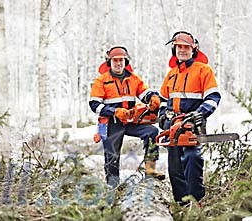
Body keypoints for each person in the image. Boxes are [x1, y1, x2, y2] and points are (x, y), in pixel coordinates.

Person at [159, 31, 221, 205]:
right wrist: (163, 115)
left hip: (192, 123)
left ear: (193, 49)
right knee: (174, 165)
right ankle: (182, 203)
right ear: (174, 49)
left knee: (193, 158)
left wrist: (199, 113)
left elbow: (213, 97)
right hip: (173, 124)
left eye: (186, 47)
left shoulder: (203, 70)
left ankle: (197, 200)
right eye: (179, 47)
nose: (183, 50)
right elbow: (163, 100)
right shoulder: (171, 74)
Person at [89, 46, 164, 188]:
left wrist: (153, 98)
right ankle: (113, 187)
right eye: (115, 60)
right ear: (109, 62)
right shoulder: (102, 81)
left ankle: (150, 168)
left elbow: (144, 93)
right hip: (112, 123)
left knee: (152, 132)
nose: (118, 63)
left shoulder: (133, 78)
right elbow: (94, 104)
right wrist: (114, 111)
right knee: (112, 156)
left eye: (121, 60)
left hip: (131, 120)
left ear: (126, 61)